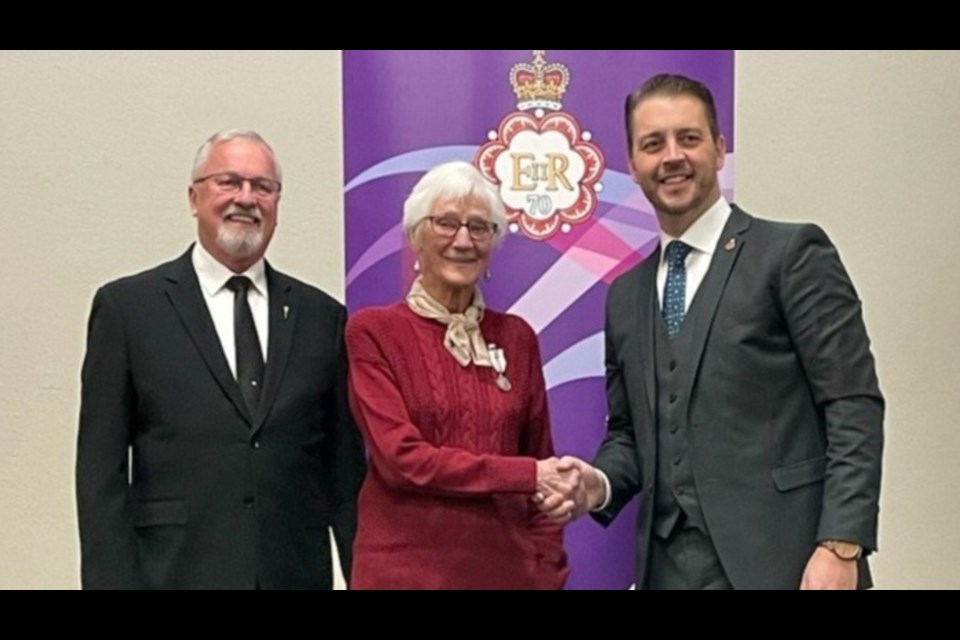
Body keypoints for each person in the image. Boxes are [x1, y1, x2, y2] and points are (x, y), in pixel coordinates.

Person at [547, 74, 884, 589]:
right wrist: (597, 483)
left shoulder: (791, 254)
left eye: (689, 137)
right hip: (665, 572)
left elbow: (852, 402)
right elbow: (631, 434)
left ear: (721, 149)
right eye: (653, 144)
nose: (672, 156)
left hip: (788, 564)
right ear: (633, 164)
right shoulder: (625, 296)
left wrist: (841, 543)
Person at [76, 130, 365, 589]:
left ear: (277, 203)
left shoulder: (322, 318)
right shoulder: (128, 309)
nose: (246, 198)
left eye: (262, 187)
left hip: (292, 573)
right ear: (194, 198)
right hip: (174, 573)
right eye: (229, 182)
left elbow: (345, 473)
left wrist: (363, 578)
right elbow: (100, 475)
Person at [345, 161, 571, 589]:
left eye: (479, 227)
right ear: (415, 237)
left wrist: (544, 567)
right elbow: (402, 460)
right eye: (446, 223)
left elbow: (542, 464)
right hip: (404, 577)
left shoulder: (518, 338)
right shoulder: (372, 332)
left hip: (508, 577)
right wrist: (522, 475)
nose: (463, 240)